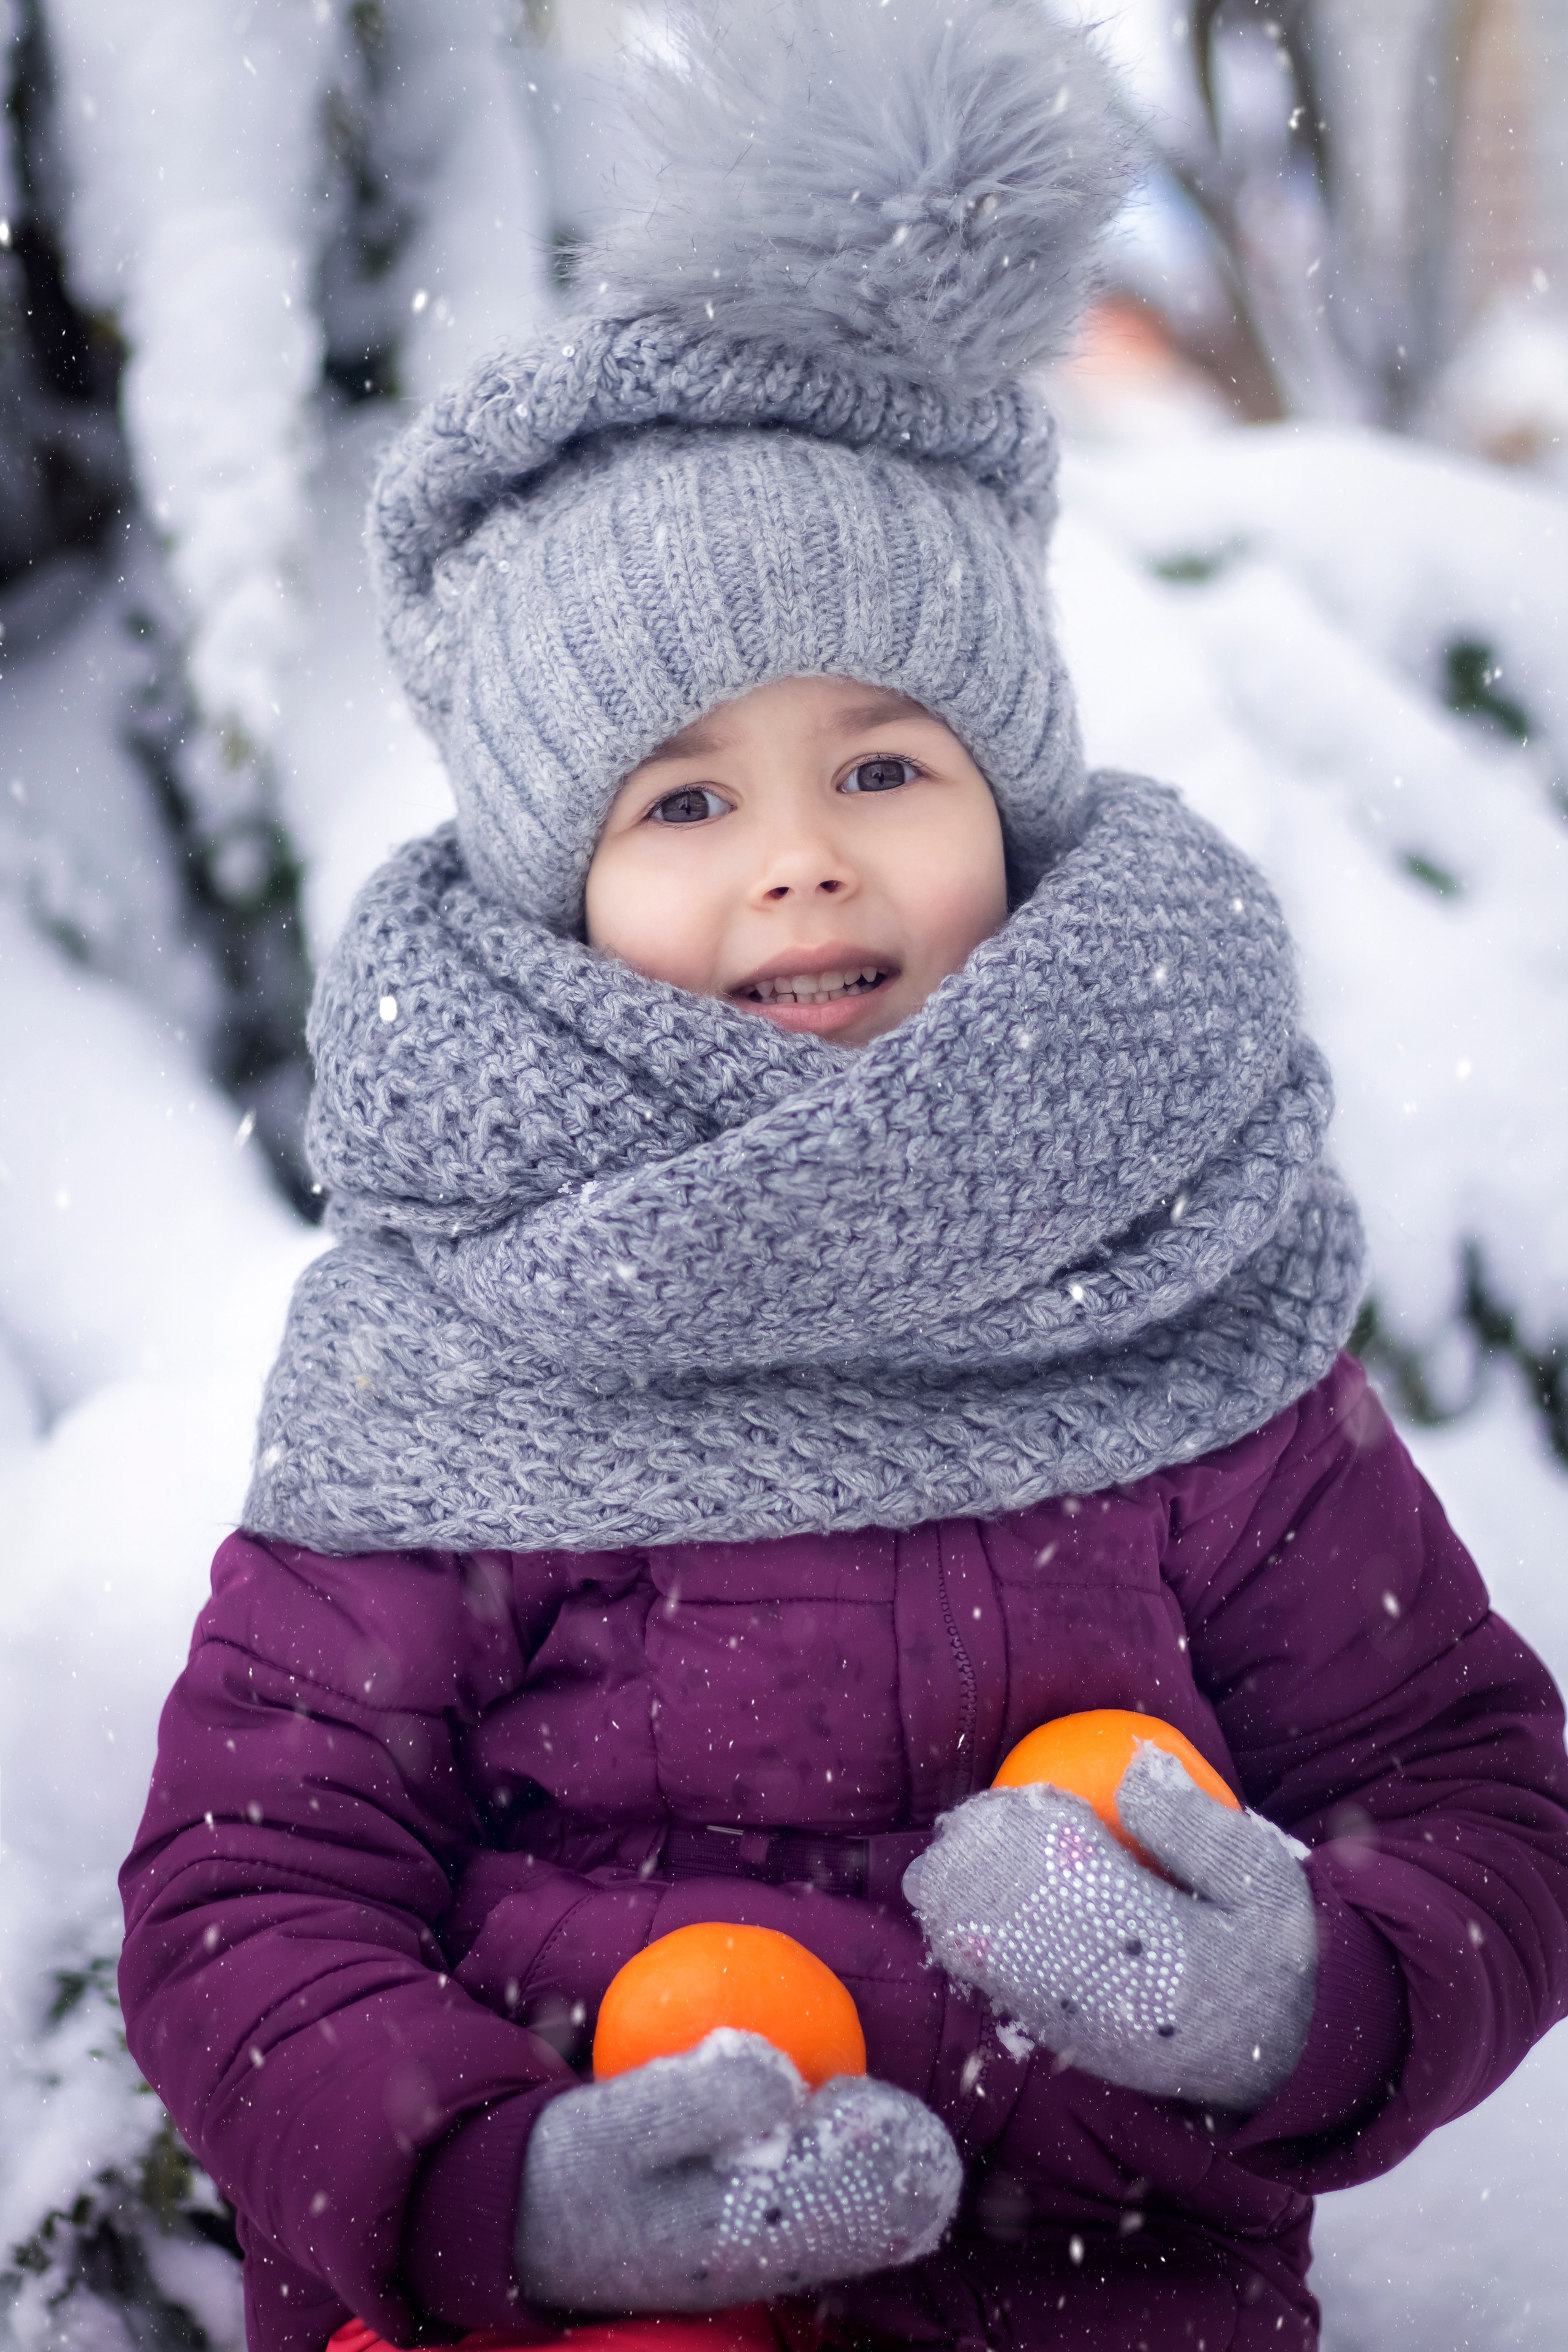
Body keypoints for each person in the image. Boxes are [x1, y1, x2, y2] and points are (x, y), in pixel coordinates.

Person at [119, 4, 1568, 2350]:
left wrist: (1301, 1995)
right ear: (553, 888)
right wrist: (516, 2192)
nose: (799, 864)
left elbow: (1475, 1788)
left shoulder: (1174, 1276)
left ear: (1008, 795)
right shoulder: (457, 1332)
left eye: (882, 762)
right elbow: (251, 1892)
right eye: (683, 804)